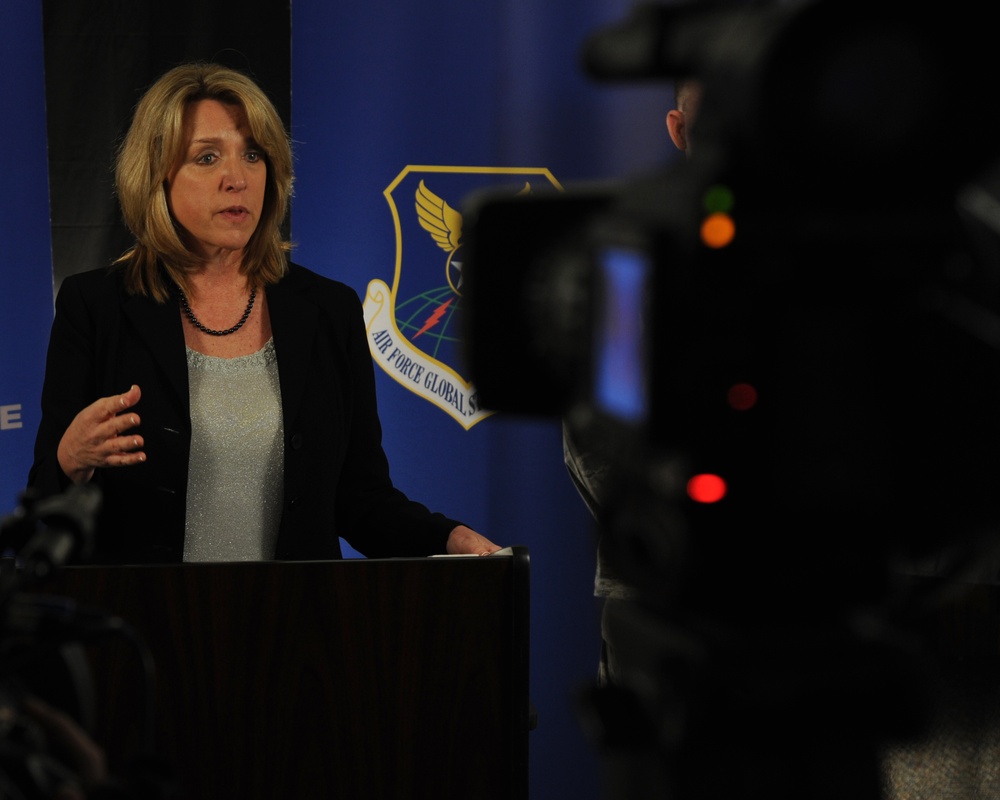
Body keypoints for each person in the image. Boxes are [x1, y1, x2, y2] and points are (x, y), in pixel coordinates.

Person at [27, 62, 501, 565]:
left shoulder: (328, 310)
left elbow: (360, 500)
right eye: (207, 157)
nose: (237, 178)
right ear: (156, 177)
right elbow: (44, 504)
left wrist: (446, 538)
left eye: (253, 155)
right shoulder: (95, 308)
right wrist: (69, 461)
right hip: (148, 629)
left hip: (294, 630)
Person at [564, 77, 700, 687]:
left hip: (831, 605)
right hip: (663, 596)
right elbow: (594, 437)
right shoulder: (631, 247)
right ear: (678, 129)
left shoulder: (863, 247)